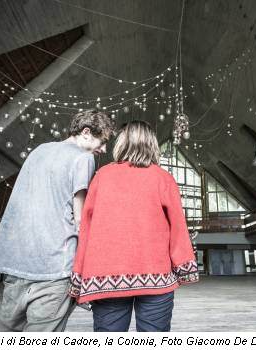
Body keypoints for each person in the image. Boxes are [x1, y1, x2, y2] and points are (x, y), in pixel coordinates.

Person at [0, 109, 116, 331]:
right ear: (85, 132)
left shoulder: (38, 151)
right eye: (102, 141)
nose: (103, 149)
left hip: (17, 265)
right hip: (54, 267)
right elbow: (80, 219)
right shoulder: (83, 159)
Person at [69, 120, 199, 332]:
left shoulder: (102, 176)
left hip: (105, 279)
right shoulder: (163, 178)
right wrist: (185, 267)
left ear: (122, 143)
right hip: (156, 279)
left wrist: (78, 278)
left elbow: (86, 230)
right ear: (152, 145)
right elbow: (178, 230)